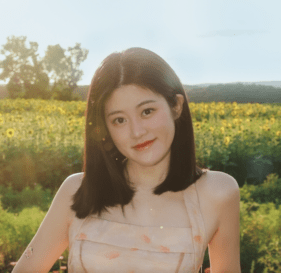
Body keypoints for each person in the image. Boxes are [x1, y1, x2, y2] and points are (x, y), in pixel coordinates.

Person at [12, 48, 241, 273]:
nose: (137, 132)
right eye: (119, 120)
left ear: (176, 106)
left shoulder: (219, 192)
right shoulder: (77, 190)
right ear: (106, 128)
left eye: (147, 111)